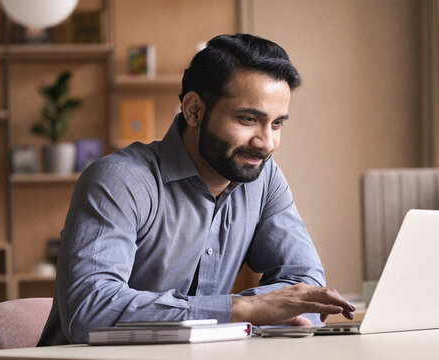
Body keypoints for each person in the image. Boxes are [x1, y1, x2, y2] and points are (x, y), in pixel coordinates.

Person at [38, 33, 355, 345]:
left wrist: (259, 310)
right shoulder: (118, 181)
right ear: (193, 110)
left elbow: (306, 286)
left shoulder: (264, 177)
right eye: (248, 119)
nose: (266, 143)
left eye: (276, 124)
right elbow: (90, 311)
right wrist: (241, 309)